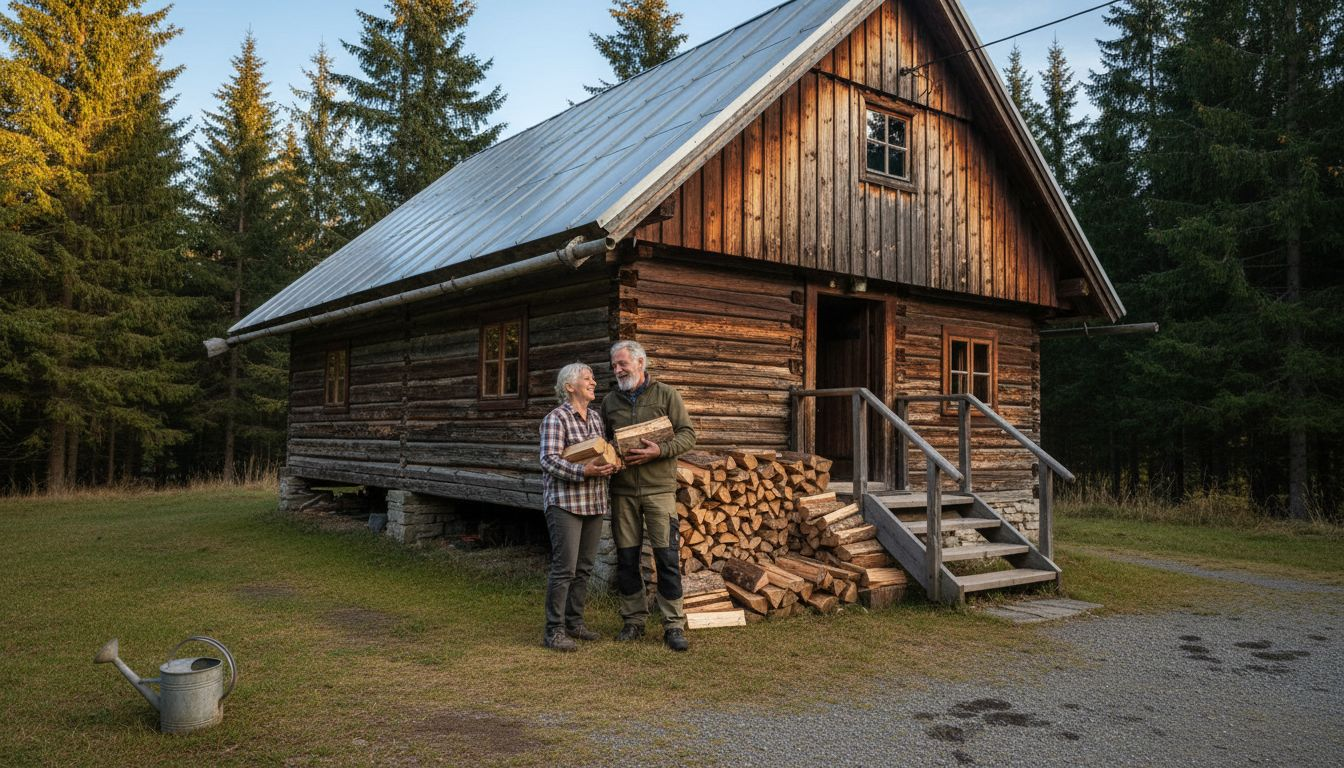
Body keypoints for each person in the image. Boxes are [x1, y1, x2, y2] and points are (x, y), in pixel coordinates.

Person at [601, 340, 697, 652]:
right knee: (627, 558)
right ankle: (633, 620)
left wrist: (661, 450)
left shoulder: (667, 395)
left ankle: (673, 624)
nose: (617, 370)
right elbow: (603, 442)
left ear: (640, 363)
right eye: (614, 366)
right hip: (623, 492)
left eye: (622, 364)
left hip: (659, 490)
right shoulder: (609, 402)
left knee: (667, 557)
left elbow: (688, 434)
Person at [539, 362, 619, 651]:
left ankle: (574, 623)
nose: (594, 382)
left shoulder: (596, 419)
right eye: (587, 378)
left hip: (594, 502)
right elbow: (549, 460)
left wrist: (611, 464)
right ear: (569, 386)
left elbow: (602, 454)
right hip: (565, 503)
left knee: (584, 568)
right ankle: (553, 631)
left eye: (593, 378)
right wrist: (583, 472)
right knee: (565, 569)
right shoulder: (556, 419)